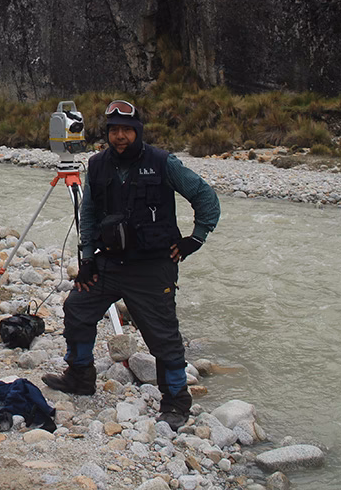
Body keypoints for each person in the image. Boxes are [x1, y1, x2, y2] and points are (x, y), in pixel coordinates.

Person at [42, 99, 221, 430]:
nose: (120, 137)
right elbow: (90, 214)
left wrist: (194, 239)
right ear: (107, 133)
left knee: (163, 337)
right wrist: (87, 261)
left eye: (127, 130)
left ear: (138, 132)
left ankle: (177, 402)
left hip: (152, 268)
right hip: (108, 264)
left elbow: (206, 197)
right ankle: (80, 376)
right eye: (114, 131)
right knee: (78, 308)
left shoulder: (164, 163)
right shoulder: (96, 165)